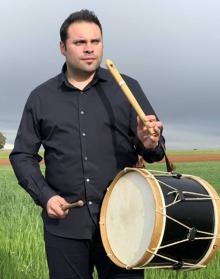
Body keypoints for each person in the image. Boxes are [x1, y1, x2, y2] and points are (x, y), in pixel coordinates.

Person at [10, 9, 165, 279]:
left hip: (124, 226)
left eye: (96, 41)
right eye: (80, 42)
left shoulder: (126, 88)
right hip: (65, 228)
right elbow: (22, 155)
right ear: (62, 47)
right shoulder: (40, 97)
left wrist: (148, 143)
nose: (89, 49)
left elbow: (155, 150)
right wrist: (46, 196)